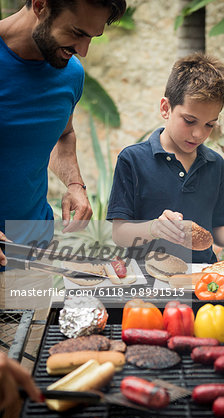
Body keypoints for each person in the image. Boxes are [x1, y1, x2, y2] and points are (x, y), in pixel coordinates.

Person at [0, 0, 127, 265]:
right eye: (77, 33)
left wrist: (74, 184)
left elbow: (63, 134)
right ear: (40, 5)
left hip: (34, 251)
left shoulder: (71, 74)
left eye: (91, 38)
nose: (83, 50)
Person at [107, 52, 224, 263]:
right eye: (189, 121)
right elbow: (119, 234)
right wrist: (155, 228)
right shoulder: (132, 160)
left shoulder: (216, 164)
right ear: (165, 108)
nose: (198, 134)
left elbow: (218, 228)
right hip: (148, 282)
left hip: (200, 280)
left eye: (209, 125)